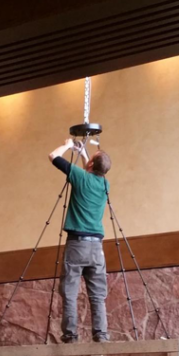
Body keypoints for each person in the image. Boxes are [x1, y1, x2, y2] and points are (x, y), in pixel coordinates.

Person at [49, 137, 112, 343]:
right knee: (97, 294)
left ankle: (70, 335)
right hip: (97, 249)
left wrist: (68, 145)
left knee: (70, 291)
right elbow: (91, 170)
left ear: (91, 165)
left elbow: (53, 156)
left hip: (77, 244)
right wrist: (85, 153)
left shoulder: (79, 177)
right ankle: (101, 335)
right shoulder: (105, 184)